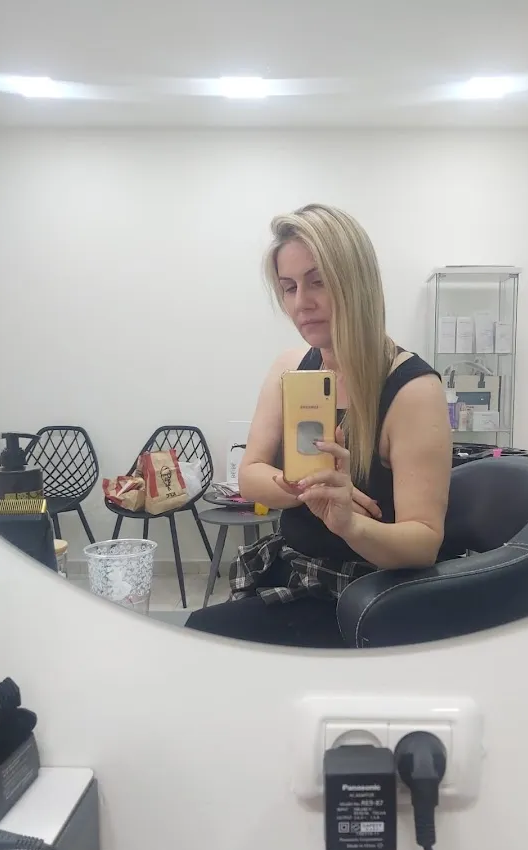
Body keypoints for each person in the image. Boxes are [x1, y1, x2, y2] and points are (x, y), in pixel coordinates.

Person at [187, 203, 451, 647]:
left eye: (318, 281)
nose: (300, 304)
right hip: (294, 571)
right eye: (288, 288)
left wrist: (350, 523)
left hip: (368, 594)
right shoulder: (291, 369)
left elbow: (423, 543)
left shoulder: (412, 391)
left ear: (356, 282)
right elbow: (250, 476)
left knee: (205, 639)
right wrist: (309, 487)